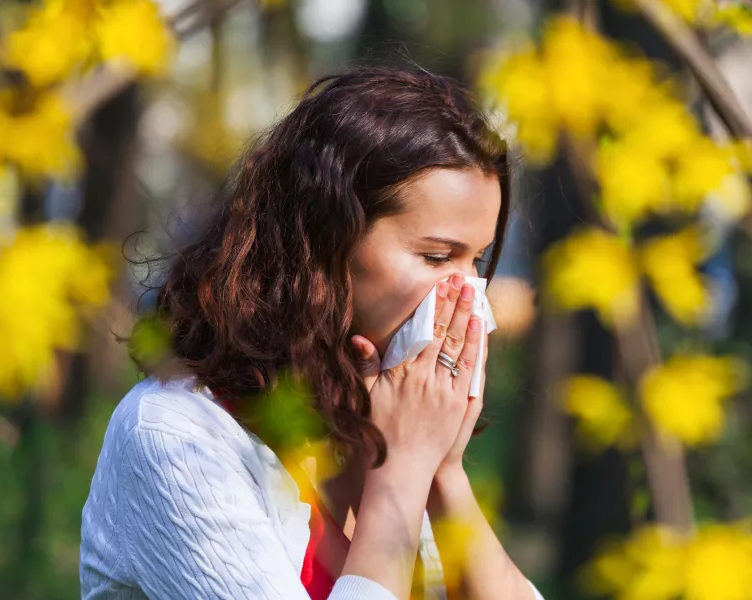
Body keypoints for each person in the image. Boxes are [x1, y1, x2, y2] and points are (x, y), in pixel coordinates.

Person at [79, 65, 545, 600]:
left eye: (476, 261)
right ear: (324, 243)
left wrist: (442, 472)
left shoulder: (378, 427)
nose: (467, 296)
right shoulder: (175, 436)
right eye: (437, 257)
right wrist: (403, 473)